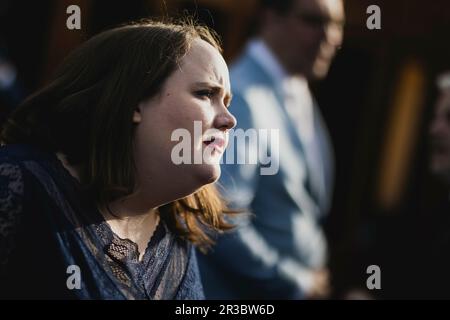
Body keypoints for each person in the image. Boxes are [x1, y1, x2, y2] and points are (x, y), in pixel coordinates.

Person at [0, 19, 236, 299]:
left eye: (227, 101)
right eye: (205, 93)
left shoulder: (176, 235)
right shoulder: (17, 185)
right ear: (134, 100)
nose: (228, 120)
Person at [198, 0, 345, 299]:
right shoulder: (240, 98)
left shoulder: (298, 91)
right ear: (270, 16)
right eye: (314, 20)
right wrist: (297, 283)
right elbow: (220, 219)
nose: (332, 36)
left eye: (338, 25)